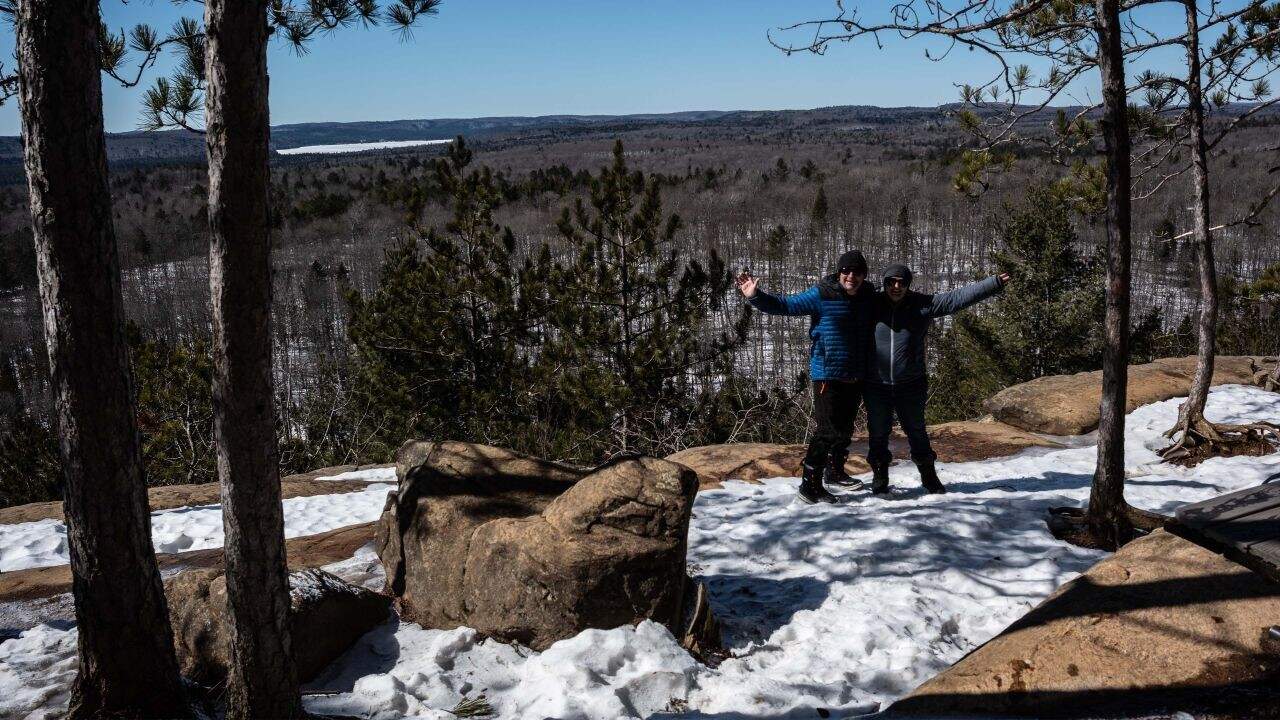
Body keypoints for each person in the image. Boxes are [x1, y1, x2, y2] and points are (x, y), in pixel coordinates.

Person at [736, 250, 874, 504]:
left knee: (843, 430)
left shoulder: (868, 297)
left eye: (857, 272)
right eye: (846, 271)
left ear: (864, 275)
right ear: (839, 272)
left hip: (855, 375)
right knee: (827, 431)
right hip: (827, 375)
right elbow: (786, 305)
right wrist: (755, 296)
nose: (851, 276)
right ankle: (809, 485)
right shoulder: (822, 294)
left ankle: (835, 471)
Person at [865, 264, 1009, 495]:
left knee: (916, 431)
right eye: (891, 281)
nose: (896, 286)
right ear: (884, 283)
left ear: (908, 284)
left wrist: (993, 283)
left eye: (902, 282)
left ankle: (929, 477)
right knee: (878, 433)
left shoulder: (921, 305)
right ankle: (880, 476)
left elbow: (956, 299)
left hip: (911, 384)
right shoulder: (871, 304)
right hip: (876, 384)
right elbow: (842, 298)